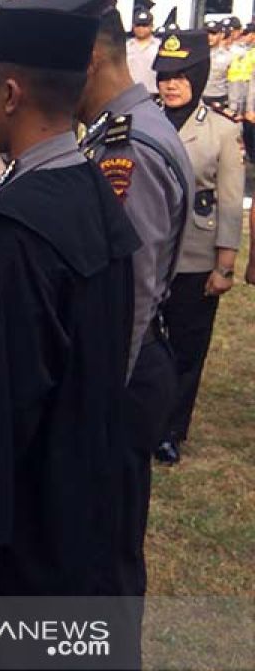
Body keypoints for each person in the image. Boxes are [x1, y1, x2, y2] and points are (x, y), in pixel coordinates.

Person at [0, 3, 139, 606]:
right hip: (75, 480)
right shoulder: (93, 190)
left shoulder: (15, 227)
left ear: (9, 93)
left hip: (17, 519)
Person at [7, 0, 193, 618]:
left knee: (101, 557)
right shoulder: (120, 130)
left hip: (116, 378)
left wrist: (90, 403)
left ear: (87, 58)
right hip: (118, 374)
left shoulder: (127, 148)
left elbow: (128, 297)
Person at [154, 30, 245, 465]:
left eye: (180, 76)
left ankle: (172, 428)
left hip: (195, 254)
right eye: (164, 76)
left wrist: (224, 265)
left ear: (200, 76)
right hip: (148, 254)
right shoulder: (142, 119)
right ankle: (144, 419)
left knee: (187, 349)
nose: (170, 85)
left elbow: (230, 201)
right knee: (147, 344)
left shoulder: (223, 131)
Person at [127, 8, 159, 94]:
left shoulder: (159, 47)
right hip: (129, 94)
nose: (141, 28)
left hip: (153, 94)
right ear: (133, 26)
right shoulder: (126, 47)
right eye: (138, 25)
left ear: (151, 26)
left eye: (144, 25)